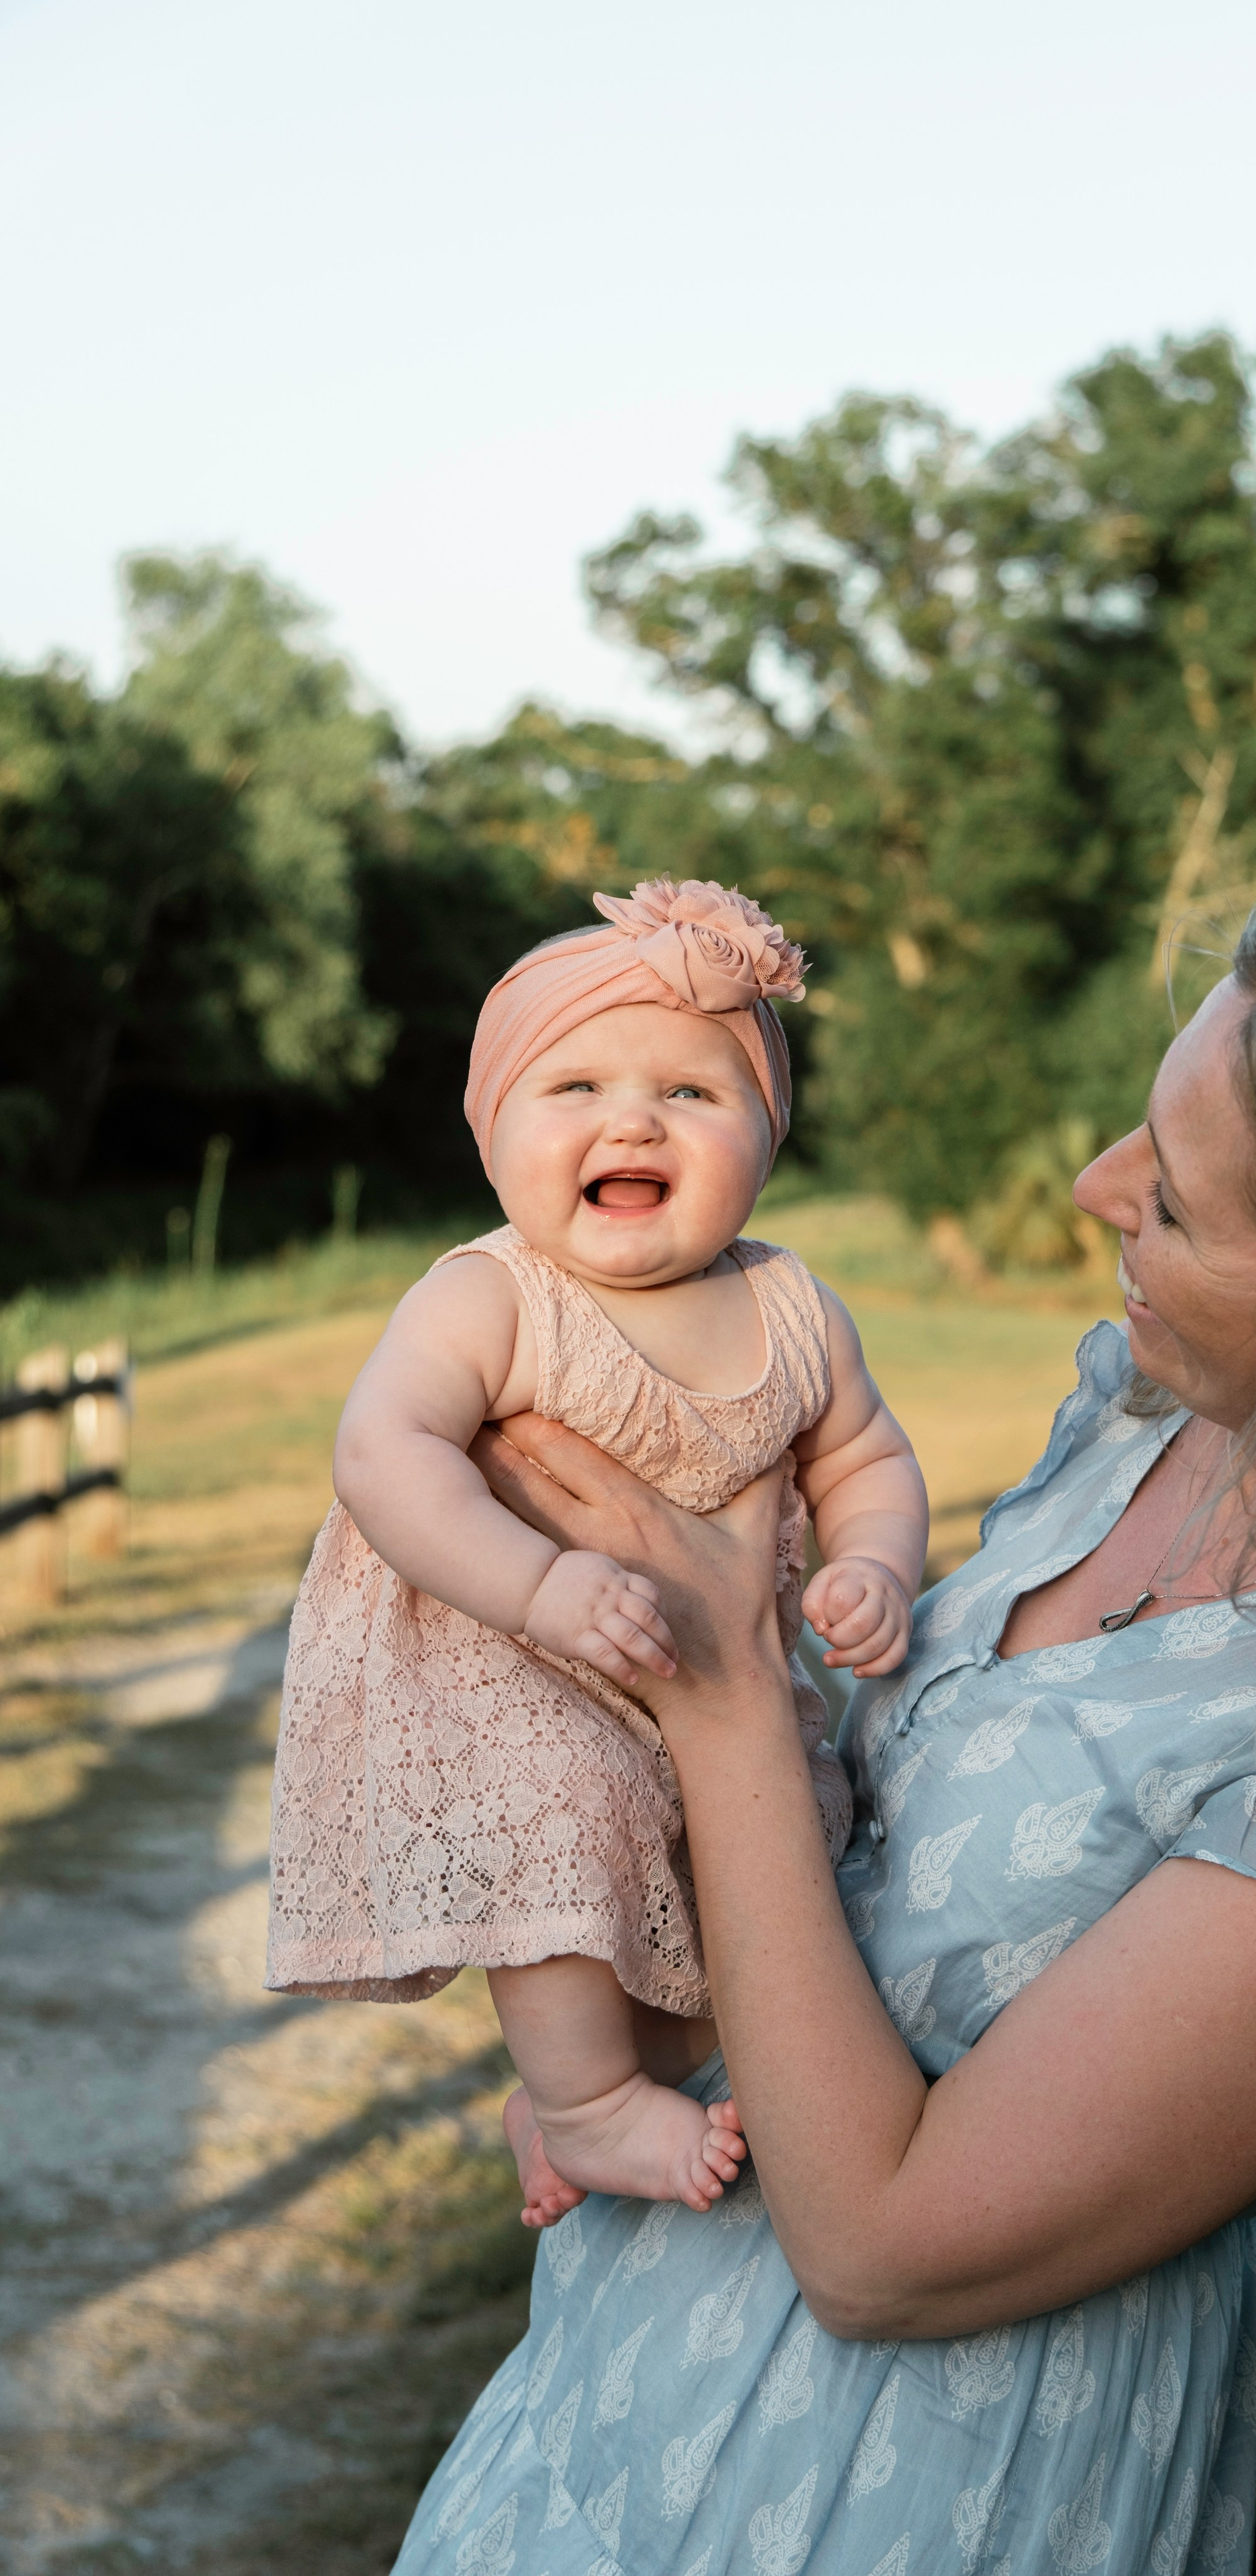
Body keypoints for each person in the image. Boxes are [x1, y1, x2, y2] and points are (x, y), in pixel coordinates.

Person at [391, 875, 1256, 2576]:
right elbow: (876, 1874)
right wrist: (626, 2050)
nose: (1096, 1192)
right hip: (616, 2384)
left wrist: (719, 1686)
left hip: (892, 2498)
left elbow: (885, 2252)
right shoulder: (1147, 1425)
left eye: (1167, 1199)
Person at [266, 877, 929, 2217]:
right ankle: (586, 2103)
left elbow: (866, 1459)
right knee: (568, 1830)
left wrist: (874, 1562)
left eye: (691, 1094)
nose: (631, 1116)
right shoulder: (488, 1298)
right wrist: (539, 1582)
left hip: (714, 1668)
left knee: (796, 1842)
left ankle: (581, 2085)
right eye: (571, 1087)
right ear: (491, 1133)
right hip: (510, 1664)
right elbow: (383, 1452)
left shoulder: (790, 1307)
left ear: (767, 1134)